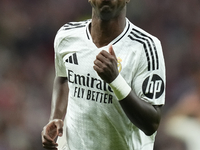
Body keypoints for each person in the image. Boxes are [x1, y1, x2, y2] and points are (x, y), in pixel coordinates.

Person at [41, 0, 166, 150]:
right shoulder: (67, 36)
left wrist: (116, 81)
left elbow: (151, 123)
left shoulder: (146, 47)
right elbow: (63, 77)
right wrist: (55, 117)